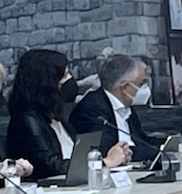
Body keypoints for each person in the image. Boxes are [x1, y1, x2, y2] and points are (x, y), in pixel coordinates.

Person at [7, 49, 125, 180]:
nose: (70, 80)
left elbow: (78, 157)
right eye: (64, 76)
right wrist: (105, 162)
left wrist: (114, 155)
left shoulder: (57, 117)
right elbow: (51, 166)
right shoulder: (26, 120)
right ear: (47, 82)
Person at [67, 53, 154, 160]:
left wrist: (166, 146)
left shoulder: (127, 107)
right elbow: (107, 150)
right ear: (125, 87)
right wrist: (153, 153)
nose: (145, 88)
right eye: (141, 84)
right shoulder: (93, 108)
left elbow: (141, 141)